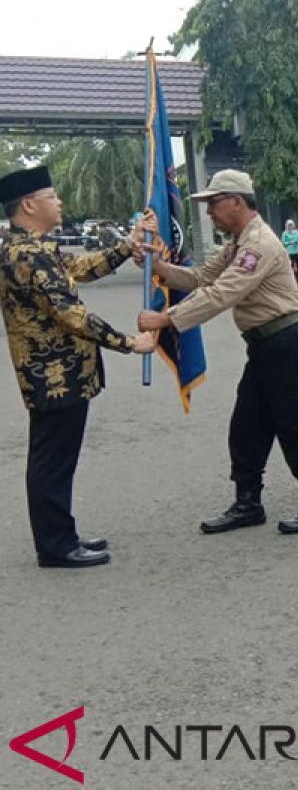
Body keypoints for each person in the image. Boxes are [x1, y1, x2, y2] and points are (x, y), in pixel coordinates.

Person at [136, 169, 298, 536]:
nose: (210, 212)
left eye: (214, 203)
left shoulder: (258, 244)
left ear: (236, 201)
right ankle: (248, 503)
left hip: (284, 341)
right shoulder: (237, 243)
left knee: (295, 423)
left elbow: (221, 295)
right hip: (264, 346)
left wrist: (165, 319)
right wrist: (160, 268)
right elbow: (202, 278)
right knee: (247, 425)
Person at [0, 167, 156, 568]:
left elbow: (79, 269)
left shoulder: (32, 247)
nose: (60, 202)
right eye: (52, 196)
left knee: (55, 459)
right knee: (52, 461)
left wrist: (127, 246)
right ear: (30, 204)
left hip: (59, 374)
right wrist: (128, 343)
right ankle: (55, 546)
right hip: (53, 375)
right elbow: (71, 315)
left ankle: (61, 534)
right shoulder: (28, 253)